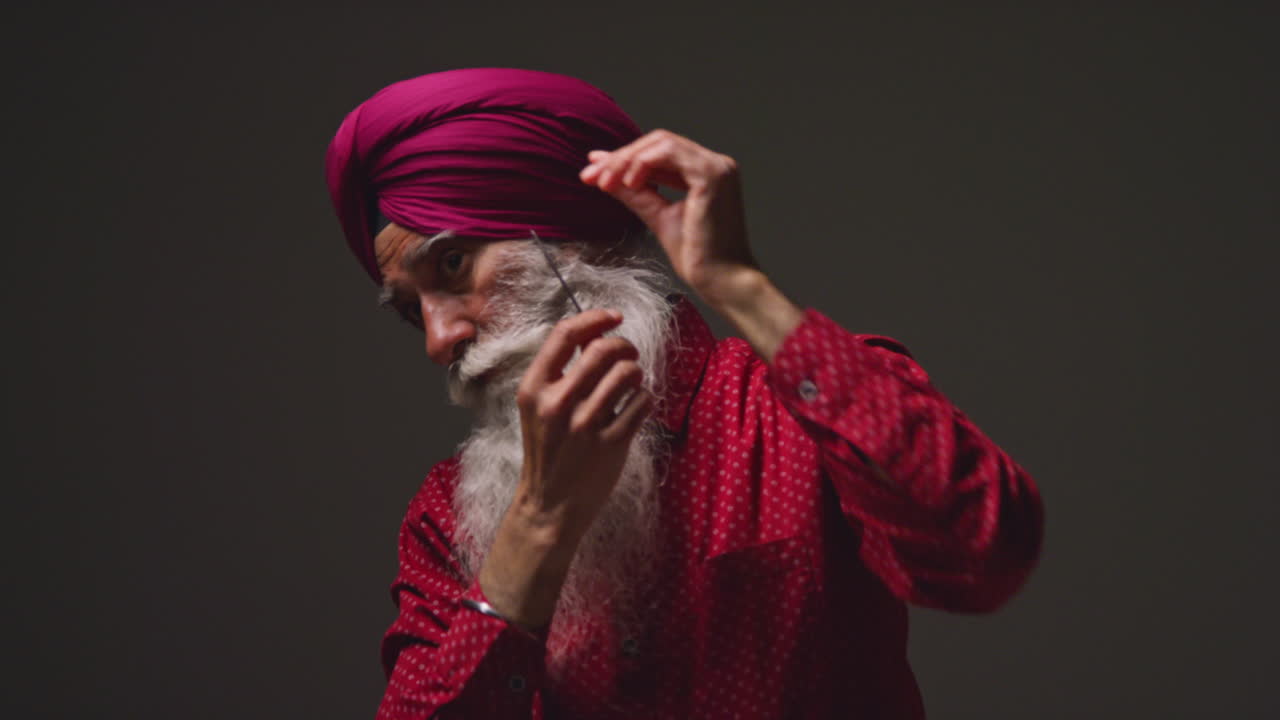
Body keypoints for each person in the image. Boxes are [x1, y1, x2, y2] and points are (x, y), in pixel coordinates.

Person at [326, 67, 1044, 720]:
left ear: (571, 238)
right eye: (411, 311)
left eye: (453, 264)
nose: (439, 339)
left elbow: (984, 550)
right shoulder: (444, 517)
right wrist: (536, 528)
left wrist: (738, 284)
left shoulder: (796, 414)